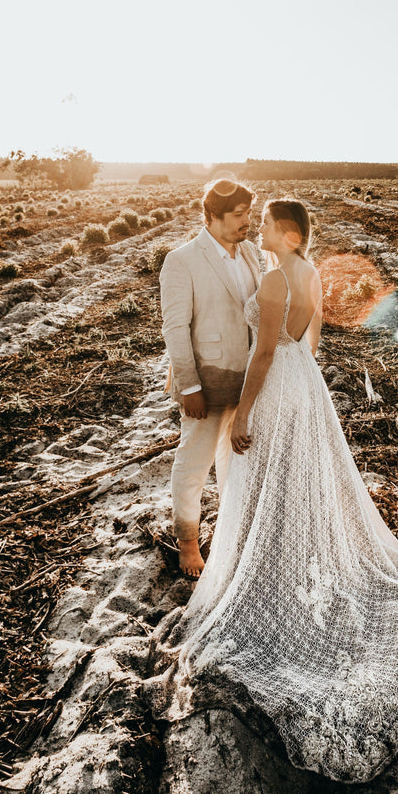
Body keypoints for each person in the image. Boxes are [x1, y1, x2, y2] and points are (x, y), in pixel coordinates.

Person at [148, 197, 398, 783]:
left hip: (270, 384)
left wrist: (253, 406)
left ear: (283, 233)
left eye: (261, 223)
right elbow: (304, 344)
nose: (254, 229)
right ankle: (225, 543)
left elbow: (264, 352)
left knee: (264, 474)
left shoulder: (278, 273)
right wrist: (296, 382)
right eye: (246, 219)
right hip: (294, 383)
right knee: (282, 476)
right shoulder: (298, 268)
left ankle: (264, 563)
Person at [159, 179, 261, 579]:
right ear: (211, 216)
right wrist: (190, 386)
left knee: (239, 463)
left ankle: (232, 537)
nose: (246, 222)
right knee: (194, 466)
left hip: (250, 379)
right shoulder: (182, 259)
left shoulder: (252, 252)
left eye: (249, 214)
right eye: (238, 215)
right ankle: (187, 543)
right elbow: (175, 328)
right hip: (207, 381)